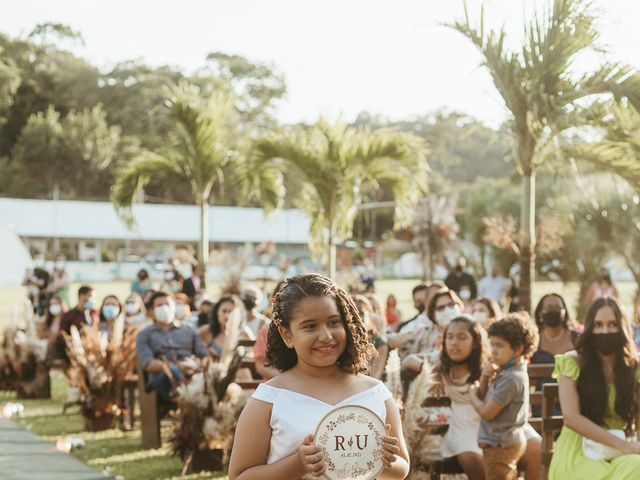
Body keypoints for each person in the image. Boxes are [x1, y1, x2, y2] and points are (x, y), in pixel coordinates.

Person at [228, 273, 410, 479]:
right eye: (310, 326)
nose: (326, 336)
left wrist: (387, 460)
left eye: (334, 322)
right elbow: (239, 476)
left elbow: (402, 469)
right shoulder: (269, 399)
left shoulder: (375, 393)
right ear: (288, 335)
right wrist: (297, 464)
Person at [433, 315, 542, 480]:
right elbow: (410, 360)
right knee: (479, 461)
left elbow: (485, 404)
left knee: (535, 447)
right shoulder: (443, 362)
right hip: (474, 425)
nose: (454, 343)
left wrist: (474, 392)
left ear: (476, 342)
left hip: (500, 424)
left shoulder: (497, 364)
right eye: (450, 337)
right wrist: (429, 372)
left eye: (462, 337)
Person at [549, 297, 640, 479]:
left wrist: (632, 446)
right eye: (598, 325)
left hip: (620, 450)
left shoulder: (634, 368)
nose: (605, 331)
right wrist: (624, 446)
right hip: (578, 450)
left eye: (612, 324)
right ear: (590, 329)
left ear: (622, 328)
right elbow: (571, 418)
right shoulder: (573, 362)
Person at [470, 312, 539, 480]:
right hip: (503, 441)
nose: (493, 351)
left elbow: (487, 413)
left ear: (518, 349)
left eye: (499, 346)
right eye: (491, 344)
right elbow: (485, 395)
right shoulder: (508, 371)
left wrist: (472, 395)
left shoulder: (510, 378)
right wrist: (485, 378)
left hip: (500, 445)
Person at [136, 291, 208, 404]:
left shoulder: (189, 330)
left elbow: (204, 355)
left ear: (174, 307)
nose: (164, 308)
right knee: (172, 373)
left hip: (190, 371)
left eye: (167, 304)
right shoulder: (144, 335)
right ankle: (187, 399)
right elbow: (148, 364)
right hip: (162, 377)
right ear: (151, 311)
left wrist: (196, 366)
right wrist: (173, 367)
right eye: (159, 305)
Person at [402, 287, 464, 372]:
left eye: (451, 305)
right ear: (433, 314)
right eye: (441, 308)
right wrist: (429, 370)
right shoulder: (423, 332)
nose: (447, 310)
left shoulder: (470, 331)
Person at [355, 294, 388, 380]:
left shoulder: (378, 342)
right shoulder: (343, 340)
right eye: (354, 313)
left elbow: (375, 377)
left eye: (361, 313)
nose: (357, 318)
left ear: (369, 316)